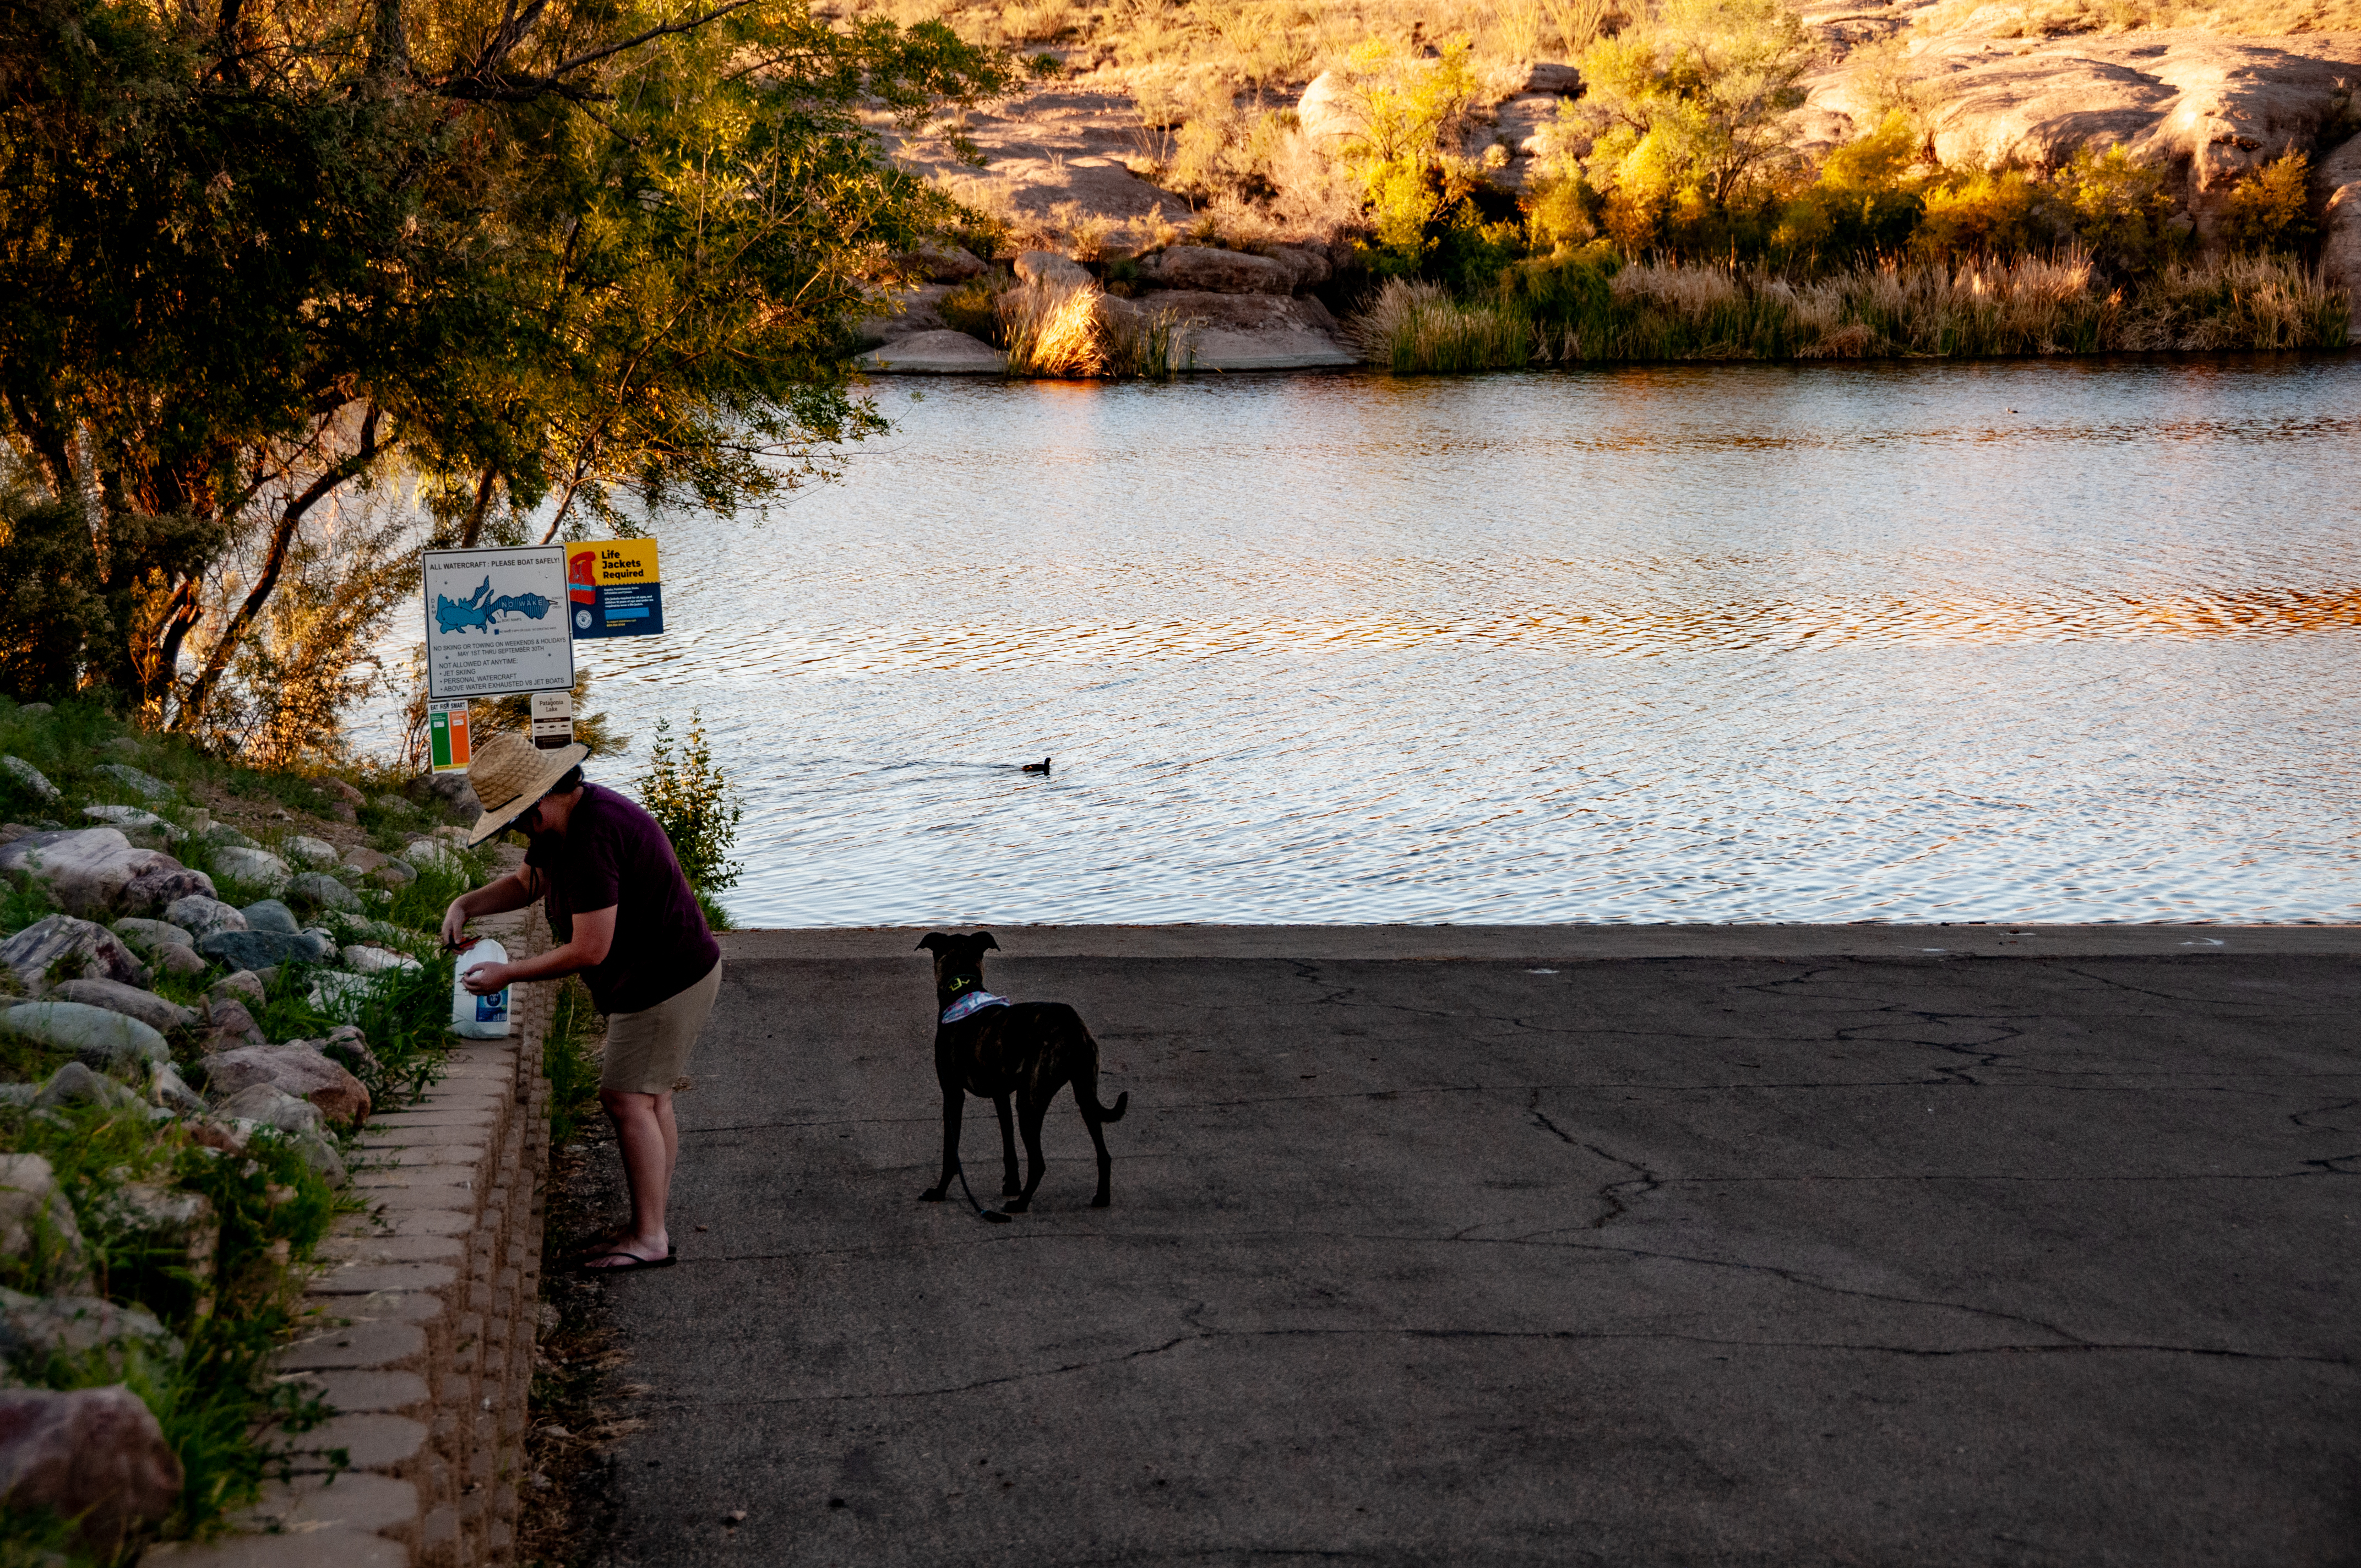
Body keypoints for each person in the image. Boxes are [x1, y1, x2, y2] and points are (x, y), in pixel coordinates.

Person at [441, 729, 722, 1272]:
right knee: (651, 1098)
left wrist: (507, 975)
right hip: (668, 973)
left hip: (667, 980)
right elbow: (528, 884)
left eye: (518, 818)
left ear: (541, 801)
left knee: (626, 1099)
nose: (520, 830)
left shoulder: (595, 834)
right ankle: (651, 1223)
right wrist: (466, 904)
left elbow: (590, 950)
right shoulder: (561, 825)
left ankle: (649, 1238)